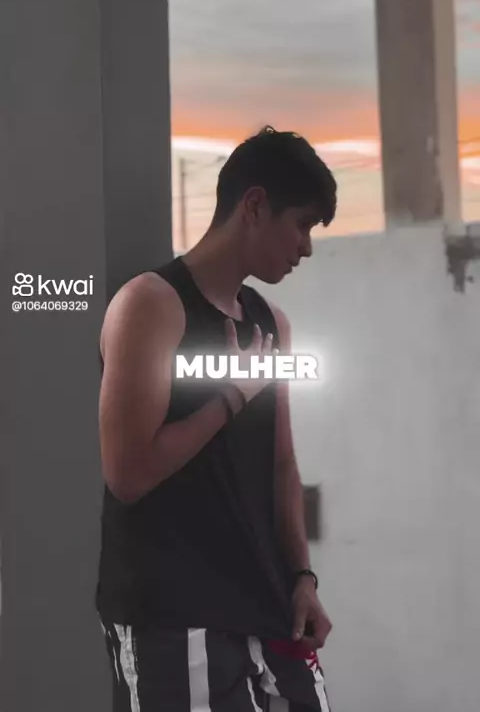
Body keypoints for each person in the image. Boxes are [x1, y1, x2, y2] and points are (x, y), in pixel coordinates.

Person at [96, 126, 337, 711]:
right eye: (302, 224)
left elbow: (281, 464)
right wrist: (230, 396)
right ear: (254, 206)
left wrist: (302, 579)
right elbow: (127, 474)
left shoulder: (272, 323)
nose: (306, 248)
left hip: (266, 602)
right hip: (173, 613)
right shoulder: (149, 304)